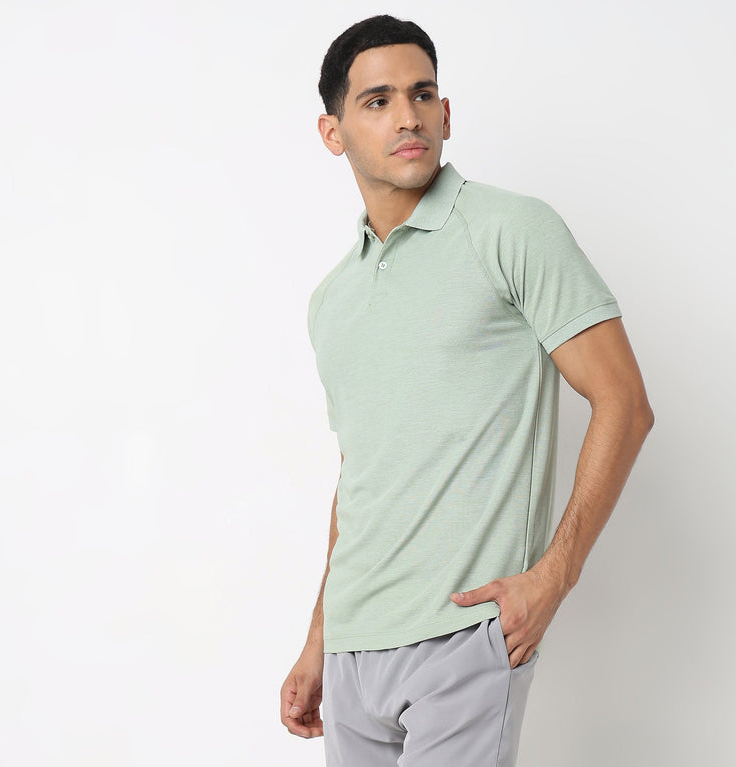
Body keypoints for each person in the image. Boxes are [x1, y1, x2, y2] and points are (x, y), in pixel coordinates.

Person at [280, 14, 654, 767]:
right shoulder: (331, 299)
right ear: (332, 132)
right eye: (378, 100)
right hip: (353, 647)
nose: (408, 116)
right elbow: (361, 472)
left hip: (464, 633)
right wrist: (319, 638)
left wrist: (554, 577)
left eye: (422, 94)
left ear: (446, 113)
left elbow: (624, 402)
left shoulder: (511, 230)